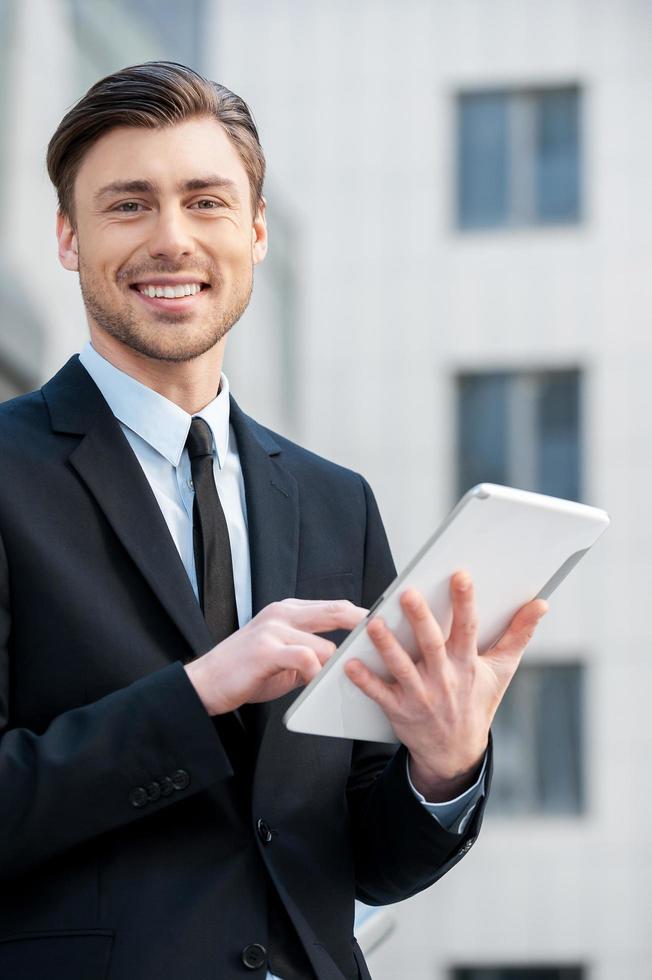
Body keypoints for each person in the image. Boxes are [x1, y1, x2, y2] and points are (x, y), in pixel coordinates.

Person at [0, 62, 547, 980]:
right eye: (128, 205)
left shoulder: (337, 501)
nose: (171, 239)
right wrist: (197, 692)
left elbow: (359, 854)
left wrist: (442, 768)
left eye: (205, 202)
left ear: (254, 233)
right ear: (68, 236)